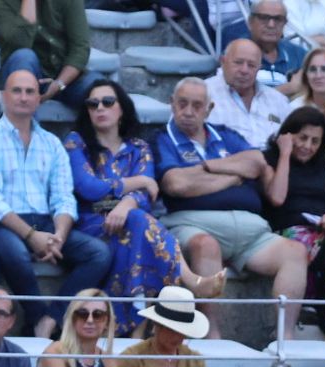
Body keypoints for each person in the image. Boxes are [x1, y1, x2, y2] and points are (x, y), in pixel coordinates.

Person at [154, 77, 309, 338]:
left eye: (196, 105)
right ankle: (210, 333)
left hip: (251, 229)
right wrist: (232, 176)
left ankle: (285, 336)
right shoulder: (162, 139)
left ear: (209, 109)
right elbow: (175, 184)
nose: (189, 112)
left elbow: (256, 162)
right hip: (193, 223)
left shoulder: (226, 134)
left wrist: (206, 169)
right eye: (182, 104)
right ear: (171, 104)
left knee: (295, 252)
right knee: (206, 245)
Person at [67, 80, 221, 331]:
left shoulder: (140, 147)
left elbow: (147, 197)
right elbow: (88, 188)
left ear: (122, 109)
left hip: (129, 223)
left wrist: (126, 204)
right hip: (92, 223)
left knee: (138, 225)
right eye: (92, 104)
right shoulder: (77, 143)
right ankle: (187, 282)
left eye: (107, 102)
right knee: (142, 225)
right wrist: (138, 181)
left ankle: (137, 327)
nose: (100, 108)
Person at [0, 68, 111, 341]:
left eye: (30, 91)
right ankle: (35, 318)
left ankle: (51, 318)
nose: (23, 97)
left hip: (47, 223)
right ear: (3, 96)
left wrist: (58, 235)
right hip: (3, 223)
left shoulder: (51, 144)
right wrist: (32, 236)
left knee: (99, 254)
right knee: (15, 254)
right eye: (17, 91)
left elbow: (63, 197)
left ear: (38, 98)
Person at [262, 107, 325, 308]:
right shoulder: (270, 159)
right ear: (288, 134)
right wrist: (285, 153)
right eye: (302, 138)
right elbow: (276, 198)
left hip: (323, 232)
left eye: (315, 141)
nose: (307, 146)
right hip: (289, 235)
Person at [115, 286, 212, 367]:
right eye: (171, 329)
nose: (178, 336)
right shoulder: (132, 358)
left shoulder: (195, 361)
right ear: (156, 324)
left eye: (183, 331)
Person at [0, 0, 102, 109]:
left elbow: (80, 48)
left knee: (100, 91)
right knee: (24, 56)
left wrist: (58, 84)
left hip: (63, 78)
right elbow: (21, 42)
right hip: (21, 73)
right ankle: (25, 128)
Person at [39, 290, 119, 367]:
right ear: (72, 318)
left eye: (98, 315)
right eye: (82, 314)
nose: (90, 320)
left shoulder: (108, 359)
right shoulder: (56, 352)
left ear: (107, 322)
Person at [206, 39, 290, 147]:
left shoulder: (278, 100)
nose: (244, 70)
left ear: (259, 68)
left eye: (251, 65)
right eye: (238, 62)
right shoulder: (202, 93)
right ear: (223, 61)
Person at [220, 0, 307, 89]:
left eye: (278, 19)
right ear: (250, 22)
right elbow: (228, 95)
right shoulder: (236, 52)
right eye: (264, 18)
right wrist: (288, 88)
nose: (271, 25)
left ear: (284, 24)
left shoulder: (299, 54)